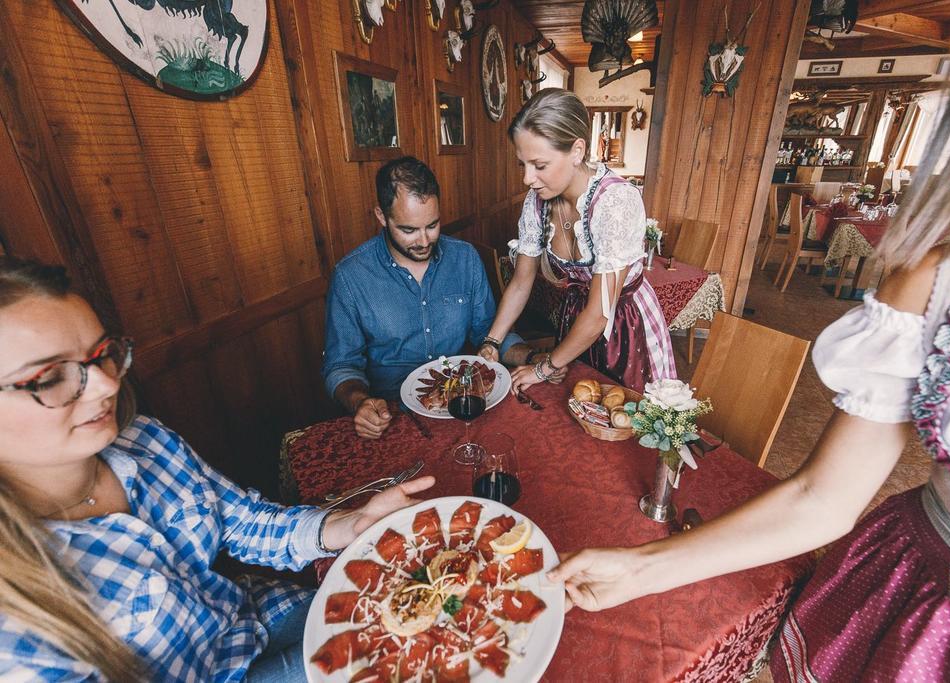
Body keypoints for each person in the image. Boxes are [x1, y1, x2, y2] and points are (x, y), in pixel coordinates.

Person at [547, 6, 950, 680]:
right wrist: (636, 568)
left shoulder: (613, 201)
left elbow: (606, 298)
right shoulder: (948, 276)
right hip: (928, 624)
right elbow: (823, 496)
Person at [0, 258, 435, 681]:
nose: (108, 384)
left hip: (253, 617)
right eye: (50, 377)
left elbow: (241, 521)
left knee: (430, 618)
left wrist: (346, 524)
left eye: (102, 355)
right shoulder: (13, 630)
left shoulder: (144, 440)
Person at [322, 156, 536, 439]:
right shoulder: (351, 277)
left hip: (462, 404)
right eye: (409, 230)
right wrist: (360, 402)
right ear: (381, 217)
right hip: (393, 416)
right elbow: (341, 365)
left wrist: (533, 357)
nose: (424, 241)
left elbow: (489, 332)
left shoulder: (464, 258)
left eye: (432, 225)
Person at [479, 88, 676, 393]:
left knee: (624, 421)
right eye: (523, 164)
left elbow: (599, 314)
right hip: (575, 325)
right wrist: (492, 341)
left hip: (625, 329)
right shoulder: (536, 202)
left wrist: (543, 368)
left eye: (539, 165)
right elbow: (521, 282)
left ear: (577, 150)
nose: (527, 178)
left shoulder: (615, 202)